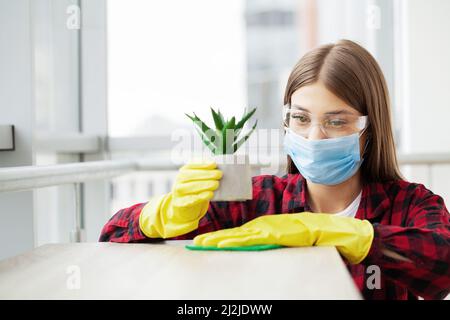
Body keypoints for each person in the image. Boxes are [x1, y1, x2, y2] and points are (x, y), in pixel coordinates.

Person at [99, 39, 450, 300]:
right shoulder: (257, 199)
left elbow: (443, 267)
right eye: (299, 118)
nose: (314, 136)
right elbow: (112, 238)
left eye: (337, 121)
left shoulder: (409, 204)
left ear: (369, 129)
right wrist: (167, 214)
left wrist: (327, 231)